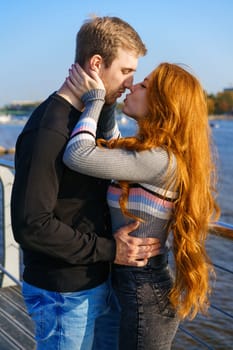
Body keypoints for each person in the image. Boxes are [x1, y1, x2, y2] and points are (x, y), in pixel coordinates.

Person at [10, 16, 162, 350]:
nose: (130, 83)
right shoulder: (50, 130)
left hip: (92, 283)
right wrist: (112, 249)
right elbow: (30, 225)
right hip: (64, 294)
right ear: (96, 63)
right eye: (125, 71)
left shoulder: (83, 120)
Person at [63, 62, 220, 350]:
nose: (132, 86)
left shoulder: (159, 160)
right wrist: (109, 99)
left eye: (144, 85)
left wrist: (95, 99)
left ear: (163, 105)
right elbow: (110, 140)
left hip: (144, 293)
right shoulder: (148, 153)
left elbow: (77, 154)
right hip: (128, 283)